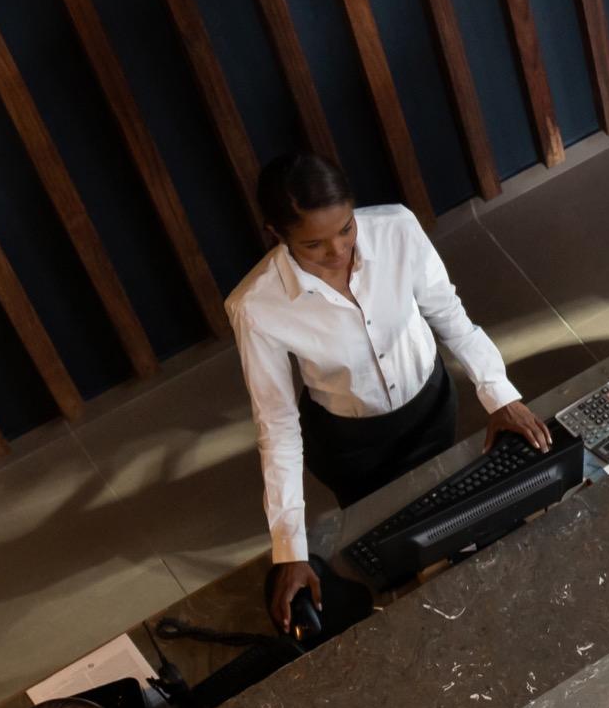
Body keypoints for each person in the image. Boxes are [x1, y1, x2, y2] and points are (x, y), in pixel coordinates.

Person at [229, 153, 550, 632]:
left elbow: (450, 317)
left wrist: (501, 395)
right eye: (313, 244)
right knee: (392, 545)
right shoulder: (256, 305)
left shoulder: (397, 228)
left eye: (346, 229)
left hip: (430, 406)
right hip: (351, 447)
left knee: (452, 507)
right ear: (276, 234)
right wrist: (290, 550)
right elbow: (276, 426)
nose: (339, 251)